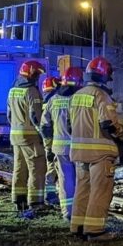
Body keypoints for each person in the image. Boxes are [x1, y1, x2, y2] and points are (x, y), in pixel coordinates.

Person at [69, 56, 123, 241]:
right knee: (100, 190)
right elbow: (108, 124)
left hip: (78, 152)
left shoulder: (76, 96)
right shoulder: (101, 96)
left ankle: (77, 226)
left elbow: (69, 124)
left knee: (82, 189)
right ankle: (94, 230)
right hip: (100, 153)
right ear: (104, 76)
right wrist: (121, 131)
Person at [7, 60, 47, 218]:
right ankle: (36, 202)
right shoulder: (31, 91)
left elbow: (9, 115)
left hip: (15, 135)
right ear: (32, 74)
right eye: (37, 75)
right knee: (37, 169)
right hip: (30, 137)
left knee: (19, 168)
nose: (38, 78)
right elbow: (36, 116)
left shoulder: (12, 90)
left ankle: (18, 199)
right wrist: (43, 135)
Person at [42, 67, 81, 220]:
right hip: (78, 148)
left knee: (65, 181)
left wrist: (48, 146)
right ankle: (80, 211)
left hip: (59, 148)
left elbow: (45, 126)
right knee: (80, 180)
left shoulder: (53, 100)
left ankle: (67, 213)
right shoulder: (78, 99)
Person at [39, 74, 61, 207]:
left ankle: (50, 193)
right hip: (53, 139)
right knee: (52, 168)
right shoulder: (52, 99)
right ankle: (50, 194)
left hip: (48, 139)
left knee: (52, 166)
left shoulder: (45, 100)